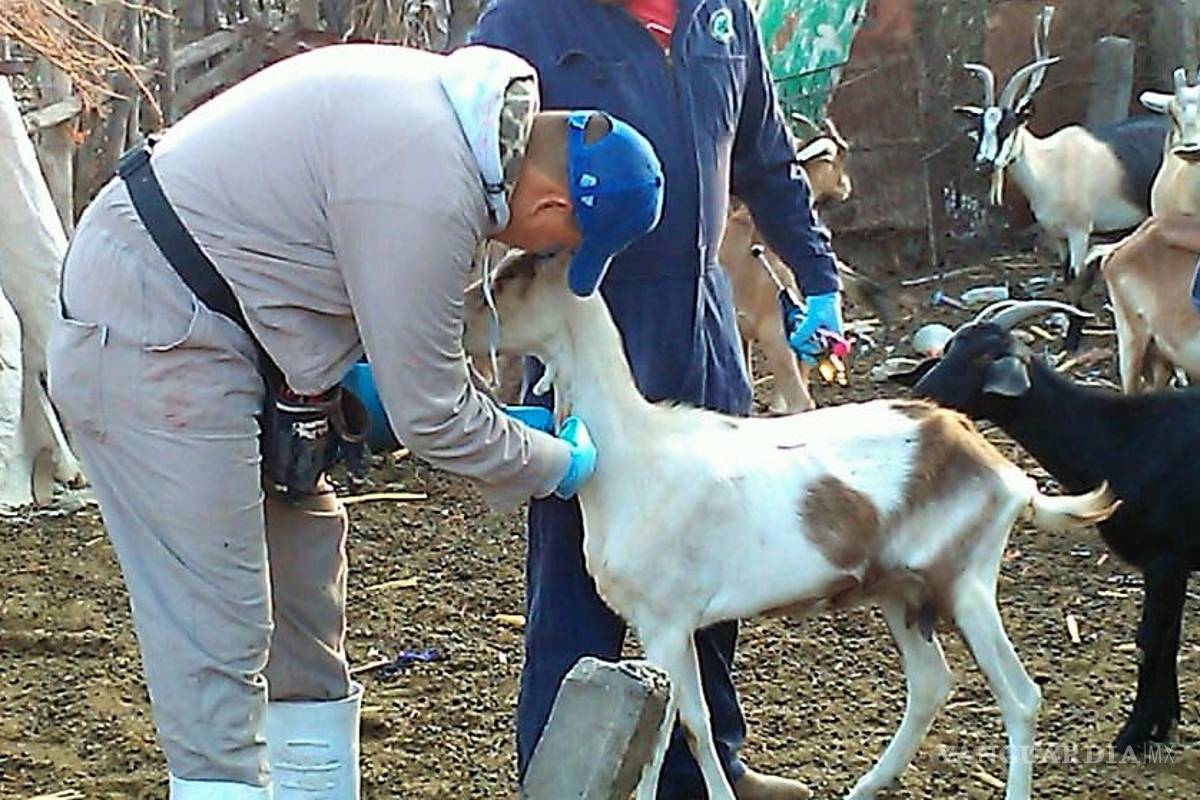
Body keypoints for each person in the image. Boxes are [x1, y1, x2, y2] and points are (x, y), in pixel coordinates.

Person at [46, 43, 663, 799]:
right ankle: (217, 785)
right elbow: (433, 415)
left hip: (238, 329)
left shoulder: (453, 124)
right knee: (218, 620)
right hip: (152, 326)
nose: (544, 252)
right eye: (561, 247)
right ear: (550, 209)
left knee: (304, 582)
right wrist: (553, 464)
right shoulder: (432, 183)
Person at [470, 2, 844, 798]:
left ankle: (704, 770)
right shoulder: (526, 20)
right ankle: (566, 777)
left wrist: (817, 278)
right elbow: (466, 172)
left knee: (709, 554)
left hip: (701, 320)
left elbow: (767, 160)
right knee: (582, 572)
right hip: (592, 313)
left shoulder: (721, 17)